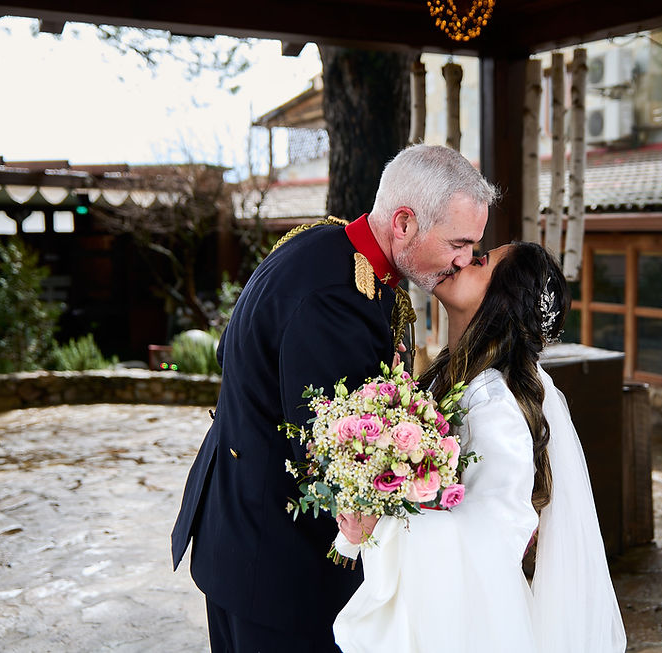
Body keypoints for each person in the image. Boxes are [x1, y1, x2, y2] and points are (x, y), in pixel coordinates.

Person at [170, 143, 497, 653]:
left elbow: (227, 351)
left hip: (243, 531)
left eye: (474, 246)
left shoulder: (330, 247)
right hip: (276, 563)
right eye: (459, 242)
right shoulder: (335, 298)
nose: (465, 260)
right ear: (405, 224)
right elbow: (333, 457)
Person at [332, 241, 627, 653]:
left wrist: (384, 523)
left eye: (481, 261)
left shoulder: (493, 404)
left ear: (501, 299)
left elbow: (493, 534)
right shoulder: (452, 377)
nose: (463, 259)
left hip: (463, 625)